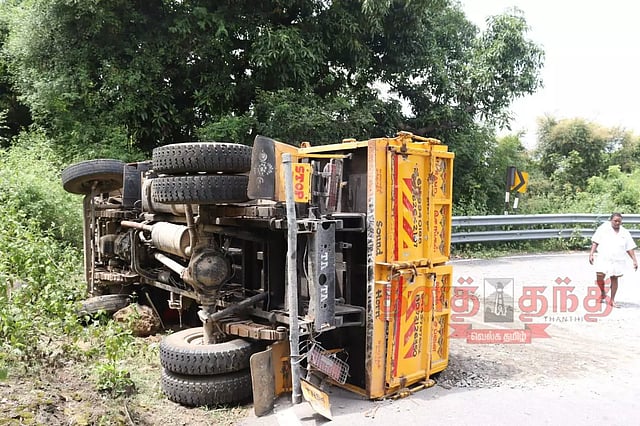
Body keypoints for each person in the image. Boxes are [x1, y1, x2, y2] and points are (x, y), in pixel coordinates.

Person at [588, 213, 638, 307]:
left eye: (619, 221)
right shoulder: (603, 228)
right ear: (611, 220)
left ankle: (612, 300)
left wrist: (634, 260)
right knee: (599, 276)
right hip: (604, 257)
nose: (617, 223)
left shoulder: (625, 232)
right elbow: (595, 241)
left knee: (614, 278)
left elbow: (629, 247)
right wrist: (591, 254)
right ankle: (603, 292)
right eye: (615, 221)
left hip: (618, 259)